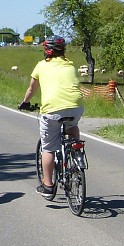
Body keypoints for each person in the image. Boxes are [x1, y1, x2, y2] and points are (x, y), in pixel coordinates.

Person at [18, 36, 85, 199]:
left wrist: (25, 103)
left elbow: (31, 89)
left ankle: (48, 186)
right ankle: (77, 153)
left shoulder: (41, 66)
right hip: (76, 107)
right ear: (63, 50)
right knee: (72, 126)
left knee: (48, 148)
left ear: (46, 51)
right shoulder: (70, 64)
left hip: (52, 110)